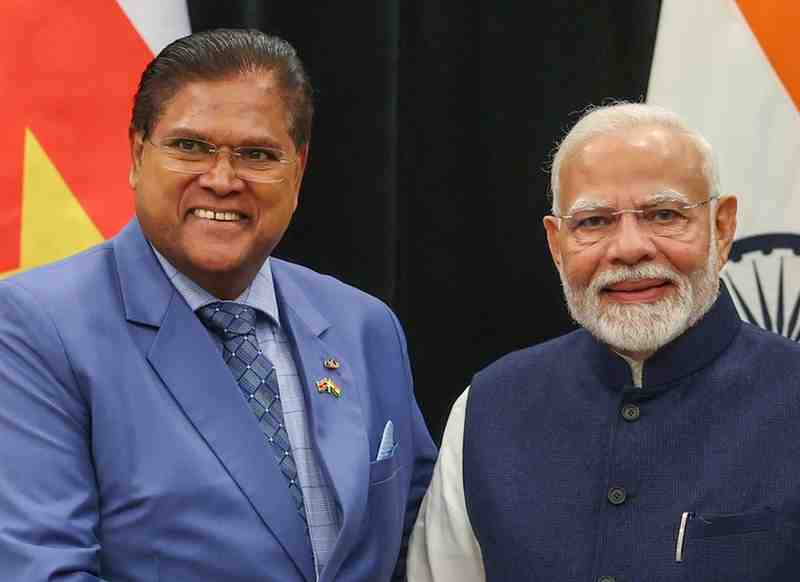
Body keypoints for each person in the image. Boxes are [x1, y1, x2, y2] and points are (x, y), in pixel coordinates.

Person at [0, 29, 435, 582]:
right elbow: (44, 569)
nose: (222, 180)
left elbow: (425, 546)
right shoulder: (37, 327)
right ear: (137, 154)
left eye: (257, 154)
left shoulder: (364, 326)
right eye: (190, 147)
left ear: (298, 170)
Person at [407, 102, 800, 581]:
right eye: (593, 222)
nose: (629, 249)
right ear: (556, 244)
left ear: (722, 227)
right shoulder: (487, 408)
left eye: (664, 214)